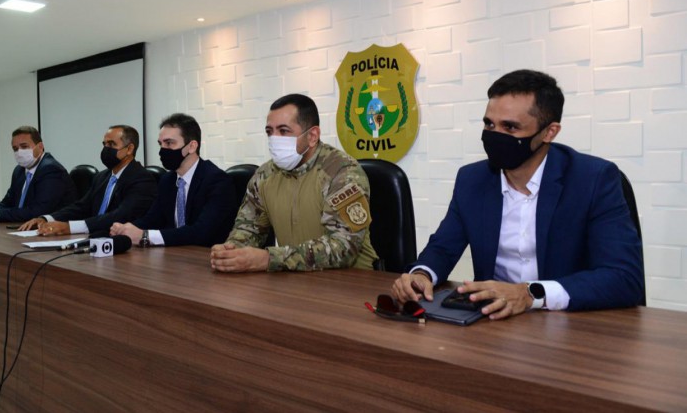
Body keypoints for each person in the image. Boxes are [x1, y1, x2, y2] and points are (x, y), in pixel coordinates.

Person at [391, 69, 644, 318]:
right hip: (492, 321)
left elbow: (624, 278)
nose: (495, 136)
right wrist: (421, 275)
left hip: (571, 323)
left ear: (549, 132)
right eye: (489, 124)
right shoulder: (472, 179)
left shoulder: (593, 180)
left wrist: (529, 294)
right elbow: (443, 248)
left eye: (510, 127)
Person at [210, 93, 378, 272]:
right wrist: (232, 251)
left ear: (312, 136)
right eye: (269, 132)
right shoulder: (265, 175)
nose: (274, 139)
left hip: (352, 279)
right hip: (294, 278)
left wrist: (269, 259)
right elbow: (249, 228)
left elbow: (344, 247)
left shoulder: (342, 171)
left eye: (283, 131)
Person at [110, 114, 237, 247]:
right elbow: (153, 219)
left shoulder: (217, 180)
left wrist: (145, 236)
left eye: (169, 143)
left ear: (192, 146)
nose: (163, 150)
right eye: (161, 144)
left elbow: (201, 232)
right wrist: (126, 229)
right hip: (173, 252)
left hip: (205, 254)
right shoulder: (167, 179)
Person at [19, 125, 157, 236]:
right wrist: (47, 218)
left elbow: (120, 215)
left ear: (130, 149)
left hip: (122, 244)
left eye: (111, 144)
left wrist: (68, 227)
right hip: (93, 238)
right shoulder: (102, 177)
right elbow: (82, 207)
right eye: (104, 144)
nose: (106, 149)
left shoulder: (142, 179)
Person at [0, 126, 77, 222]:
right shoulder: (19, 171)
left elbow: (38, 212)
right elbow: (8, 202)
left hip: (56, 231)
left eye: (24, 147)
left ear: (40, 147)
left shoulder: (51, 169)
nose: (19, 152)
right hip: (23, 227)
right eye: (15, 149)